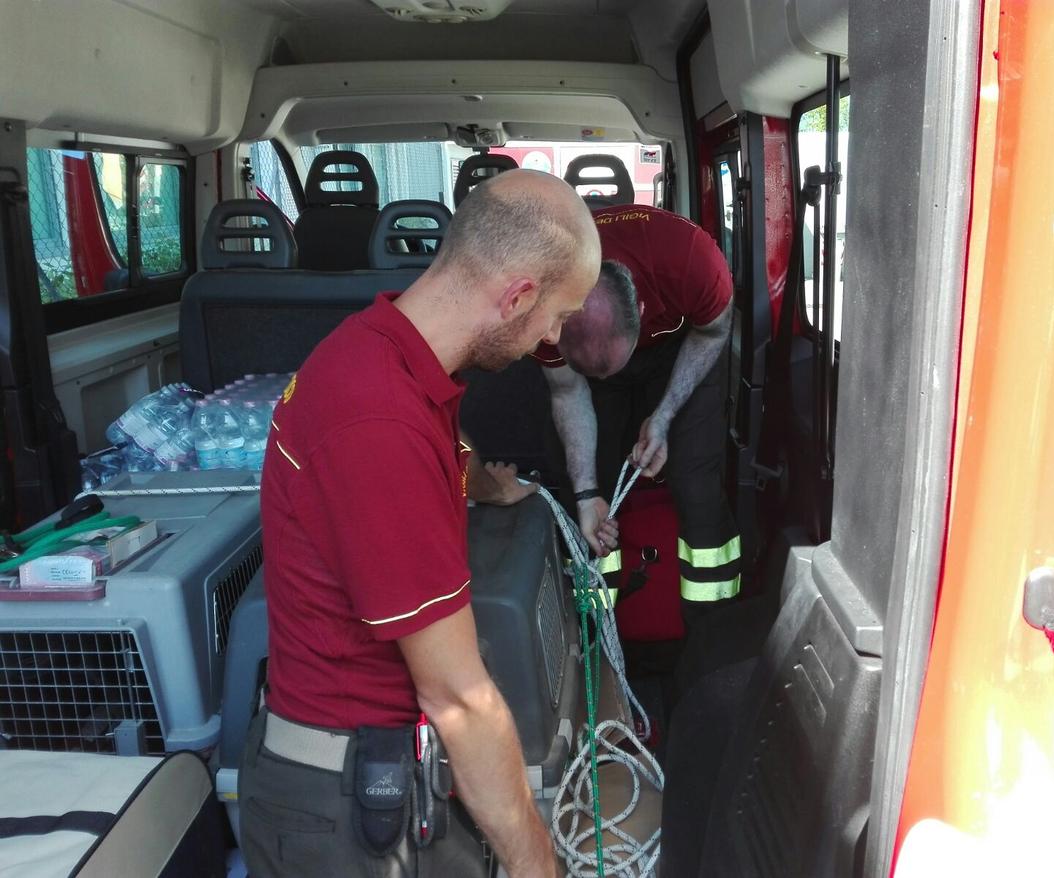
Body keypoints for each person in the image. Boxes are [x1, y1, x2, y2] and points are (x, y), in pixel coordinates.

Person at [240, 169, 601, 878]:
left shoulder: (386, 349)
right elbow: (458, 700)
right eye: (558, 316)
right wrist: (539, 866)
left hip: (376, 778)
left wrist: (484, 483)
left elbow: (431, 453)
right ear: (517, 296)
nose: (553, 338)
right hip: (345, 814)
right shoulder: (377, 420)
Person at [534, 203, 740, 621]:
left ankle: (713, 619)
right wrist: (586, 492)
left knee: (694, 478)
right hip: (592, 361)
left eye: (608, 370)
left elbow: (714, 331)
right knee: (585, 476)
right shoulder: (543, 306)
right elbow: (568, 391)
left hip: (682, 346)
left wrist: (663, 415)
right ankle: (593, 619)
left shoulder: (691, 262)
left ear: (642, 314)